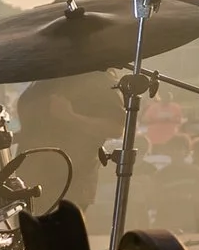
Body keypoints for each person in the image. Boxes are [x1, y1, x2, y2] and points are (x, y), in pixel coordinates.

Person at [14, 67, 126, 217]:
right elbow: (37, 129)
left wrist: (71, 117)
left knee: (60, 239)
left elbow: (115, 128)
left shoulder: (96, 79)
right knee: (26, 239)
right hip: (28, 181)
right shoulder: (43, 79)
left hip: (68, 183)